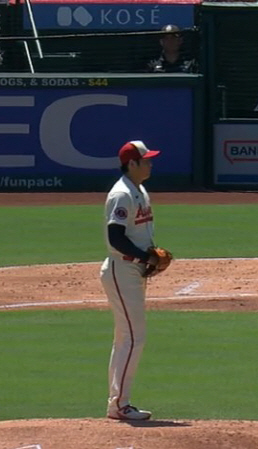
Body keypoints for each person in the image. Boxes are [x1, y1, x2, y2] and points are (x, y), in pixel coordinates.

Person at [100, 140, 171, 420]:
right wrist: (146, 257)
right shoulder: (121, 194)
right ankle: (119, 404)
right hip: (123, 269)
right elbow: (115, 238)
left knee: (126, 338)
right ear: (132, 164)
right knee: (133, 337)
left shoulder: (138, 190)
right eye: (146, 160)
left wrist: (147, 257)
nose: (151, 163)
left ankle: (117, 403)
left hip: (133, 270)